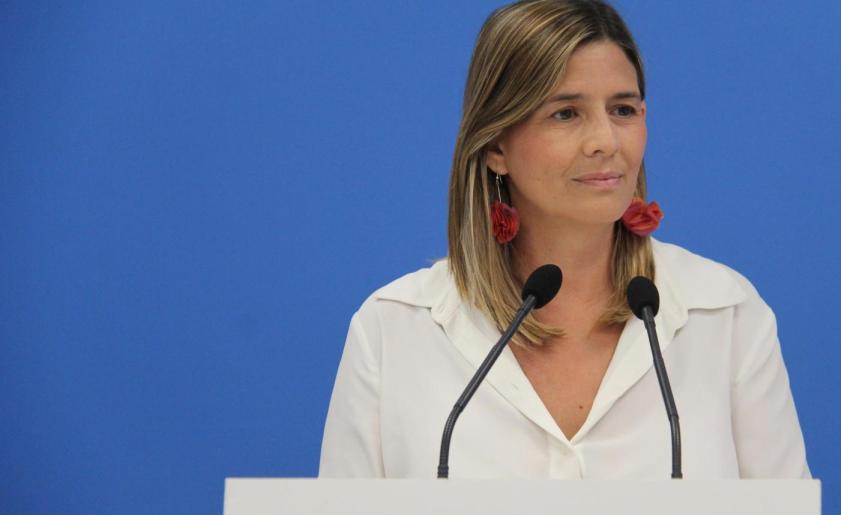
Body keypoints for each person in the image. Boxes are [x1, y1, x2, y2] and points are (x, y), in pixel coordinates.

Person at [320, 0, 810, 481]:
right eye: (566, 114)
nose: (605, 141)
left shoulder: (725, 314)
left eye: (622, 109)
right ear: (495, 146)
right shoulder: (394, 329)